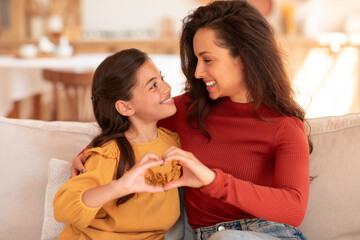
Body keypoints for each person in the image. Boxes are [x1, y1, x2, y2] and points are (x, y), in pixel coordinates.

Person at [72, 1, 312, 239]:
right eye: (196, 60)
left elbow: (293, 209)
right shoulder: (185, 111)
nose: (197, 72)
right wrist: (89, 152)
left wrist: (213, 180)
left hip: (267, 234)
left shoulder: (285, 126)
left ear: (243, 57)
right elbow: (130, 121)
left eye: (207, 60)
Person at [54, 48, 183, 240]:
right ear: (125, 107)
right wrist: (120, 187)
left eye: (161, 78)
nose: (167, 87)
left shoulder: (173, 142)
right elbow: (64, 209)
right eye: (153, 85)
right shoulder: (109, 155)